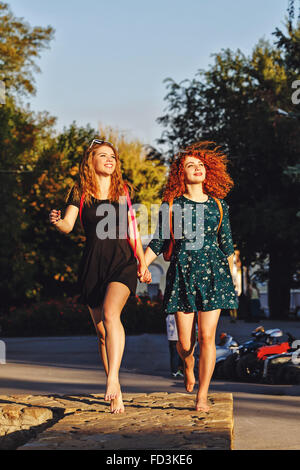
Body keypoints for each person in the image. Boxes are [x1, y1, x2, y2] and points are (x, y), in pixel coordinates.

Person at [49, 138, 151, 414]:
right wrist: (58, 222)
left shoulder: (123, 190)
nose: (110, 160)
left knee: (110, 313)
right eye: (103, 155)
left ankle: (113, 379)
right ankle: (115, 394)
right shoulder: (80, 191)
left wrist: (142, 263)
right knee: (102, 334)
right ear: (90, 161)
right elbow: (69, 225)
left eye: (113, 156)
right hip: (93, 263)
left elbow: (133, 229)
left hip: (122, 261)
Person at [144, 141, 238, 412]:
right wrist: (142, 264)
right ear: (180, 174)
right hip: (182, 275)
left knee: (208, 337)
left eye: (201, 165)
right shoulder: (171, 205)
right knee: (185, 343)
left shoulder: (219, 206)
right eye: (190, 165)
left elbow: (227, 246)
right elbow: (159, 242)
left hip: (214, 276)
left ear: (208, 172)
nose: (197, 168)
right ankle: (188, 364)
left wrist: (228, 281)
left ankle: (203, 395)